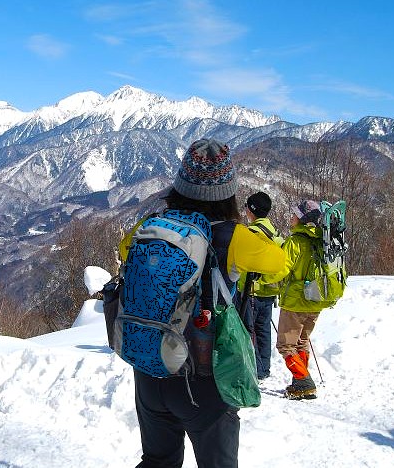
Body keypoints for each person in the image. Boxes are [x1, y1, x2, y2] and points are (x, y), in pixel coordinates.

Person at [131, 139, 286, 468]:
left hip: (150, 371)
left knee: (157, 462)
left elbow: (124, 251)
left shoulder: (151, 227)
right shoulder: (236, 238)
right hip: (204, 380)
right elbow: (279, 263)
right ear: (228, 193)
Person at [260, 199, 326, 400]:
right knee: (301, 342)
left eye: (295, 215)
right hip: (316, 299)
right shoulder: (321, 240)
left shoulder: (295, 242)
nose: (291, 218)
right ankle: (300, 384)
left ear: (302, 219)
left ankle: (304, 381)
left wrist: (261, 278)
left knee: (286, 345)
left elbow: (281, 269)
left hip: (296, 300)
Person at [241, 191, 284, 380]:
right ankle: (264, 368)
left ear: (251, 210)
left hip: (251, 291)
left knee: (249, 331)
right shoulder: (276, 234)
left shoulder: (251, 233)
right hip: (270, 291)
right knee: (264, 330)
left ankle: (256, 369)